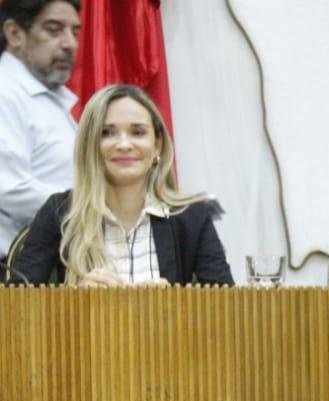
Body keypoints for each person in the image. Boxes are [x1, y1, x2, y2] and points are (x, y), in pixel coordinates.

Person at [11, 84, 233, 285]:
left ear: (157, 145)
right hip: (85, 331)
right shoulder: (59, 213)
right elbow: (15, 311)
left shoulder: (192, 216)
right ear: (90, 146)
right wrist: (74, 303)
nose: (124, 144)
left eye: (137, 132)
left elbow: (226, 313)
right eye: (107, 133)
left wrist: (173, 308)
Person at [0, 0, 80, 263]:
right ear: (14, 34)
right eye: (54, 29)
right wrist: (89, 207)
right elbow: (8, 189)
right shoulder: (5, 93)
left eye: (75, 32)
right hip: (12, 274)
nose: (70, 44)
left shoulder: (46, 96)